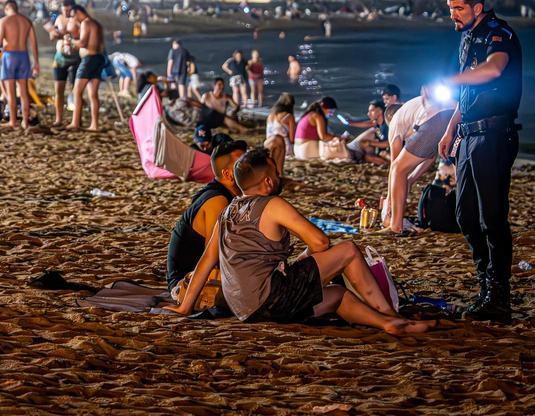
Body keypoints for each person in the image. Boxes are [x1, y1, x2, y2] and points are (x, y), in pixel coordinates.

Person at [169, 148, 433, 334]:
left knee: (337, 296)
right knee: (349, 250)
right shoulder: (272, 204)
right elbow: (320, 242)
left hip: (244, 308)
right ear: (269, 180)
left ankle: (385, 323)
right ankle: (393, 315)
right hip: (269, 297)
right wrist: (307, 257)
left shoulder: (227, 211)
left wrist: (184, 308)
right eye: (276, 170)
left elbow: (206, 261)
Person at [436, 0, 523, 323]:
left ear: (476, 7)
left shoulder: (498, 32)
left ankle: (498, 296)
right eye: (450, 9)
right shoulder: (467, 37)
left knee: (492, 217)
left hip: (494, 134)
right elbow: (466, 95)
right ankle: (485, 285)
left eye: (458, 9)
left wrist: (450, 81)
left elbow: (494, 68)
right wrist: (450, 128)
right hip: (468, 136)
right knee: (465, 216)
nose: (453, 16)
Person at [166, 140, 248, 304]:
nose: (251, 167)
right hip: (188, 283)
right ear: (227, 175)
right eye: (243, 164)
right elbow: (215, 258)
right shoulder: (217, 201)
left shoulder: (228, 194)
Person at [383, 89, 455, 232]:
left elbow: (395, 166)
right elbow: (430, 156)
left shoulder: (394, 121)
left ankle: (395, 225)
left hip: (437, 118)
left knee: (398, 169)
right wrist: (411, 179)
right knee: (404, 170)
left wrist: (389, 202)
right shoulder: (412, 112)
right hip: (455, 115)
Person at [0, 0, 40, 129]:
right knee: (24, 92)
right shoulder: (27, 21)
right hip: (23, 56)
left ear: (7, 8)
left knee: (11, 91)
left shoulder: (3, 21)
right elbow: (33, 43)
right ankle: (25, 121)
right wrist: (36, 62)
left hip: (9, 56)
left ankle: (13, 121)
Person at [44, 0, 81, 127]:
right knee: (58, 90)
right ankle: (59, 119)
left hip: (76, 57)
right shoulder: (59, 18)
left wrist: (64, 34)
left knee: (76, 90)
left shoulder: (78, 20)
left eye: (68, 9)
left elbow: (80, 36)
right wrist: (53, 33)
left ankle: (76, 119)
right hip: (60, 57)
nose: (66, 12)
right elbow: (52, 36)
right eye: (64, 9)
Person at [70, 5, 105, 131]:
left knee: (77, 91)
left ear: (79, 12)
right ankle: (94, 125)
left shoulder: (86, 22)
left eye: (74, 15)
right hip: (98, 58)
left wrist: (71, 41)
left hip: (89, 59)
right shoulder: (96, 24)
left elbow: (83, 43)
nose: (74, 19)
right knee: (93, 94)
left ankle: (75, 122)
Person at [346, 100, 390, 166]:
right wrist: (350, 123)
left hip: (390, 151)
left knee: (382, 154)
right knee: (367, 157)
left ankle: (390, 164)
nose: (368, 114)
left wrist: (369, 143)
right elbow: (367, 123)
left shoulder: (387, 126)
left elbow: (388, 144)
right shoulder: (377, 123)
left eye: (371, 111)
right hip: (380, 150)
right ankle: (352, 149)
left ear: (380, 111)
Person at [263, 93, 296, 171]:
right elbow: (291, 139)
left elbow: (267, 134)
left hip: (268, 144)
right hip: (283, 145)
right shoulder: (289, 117)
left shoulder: (270, 116)